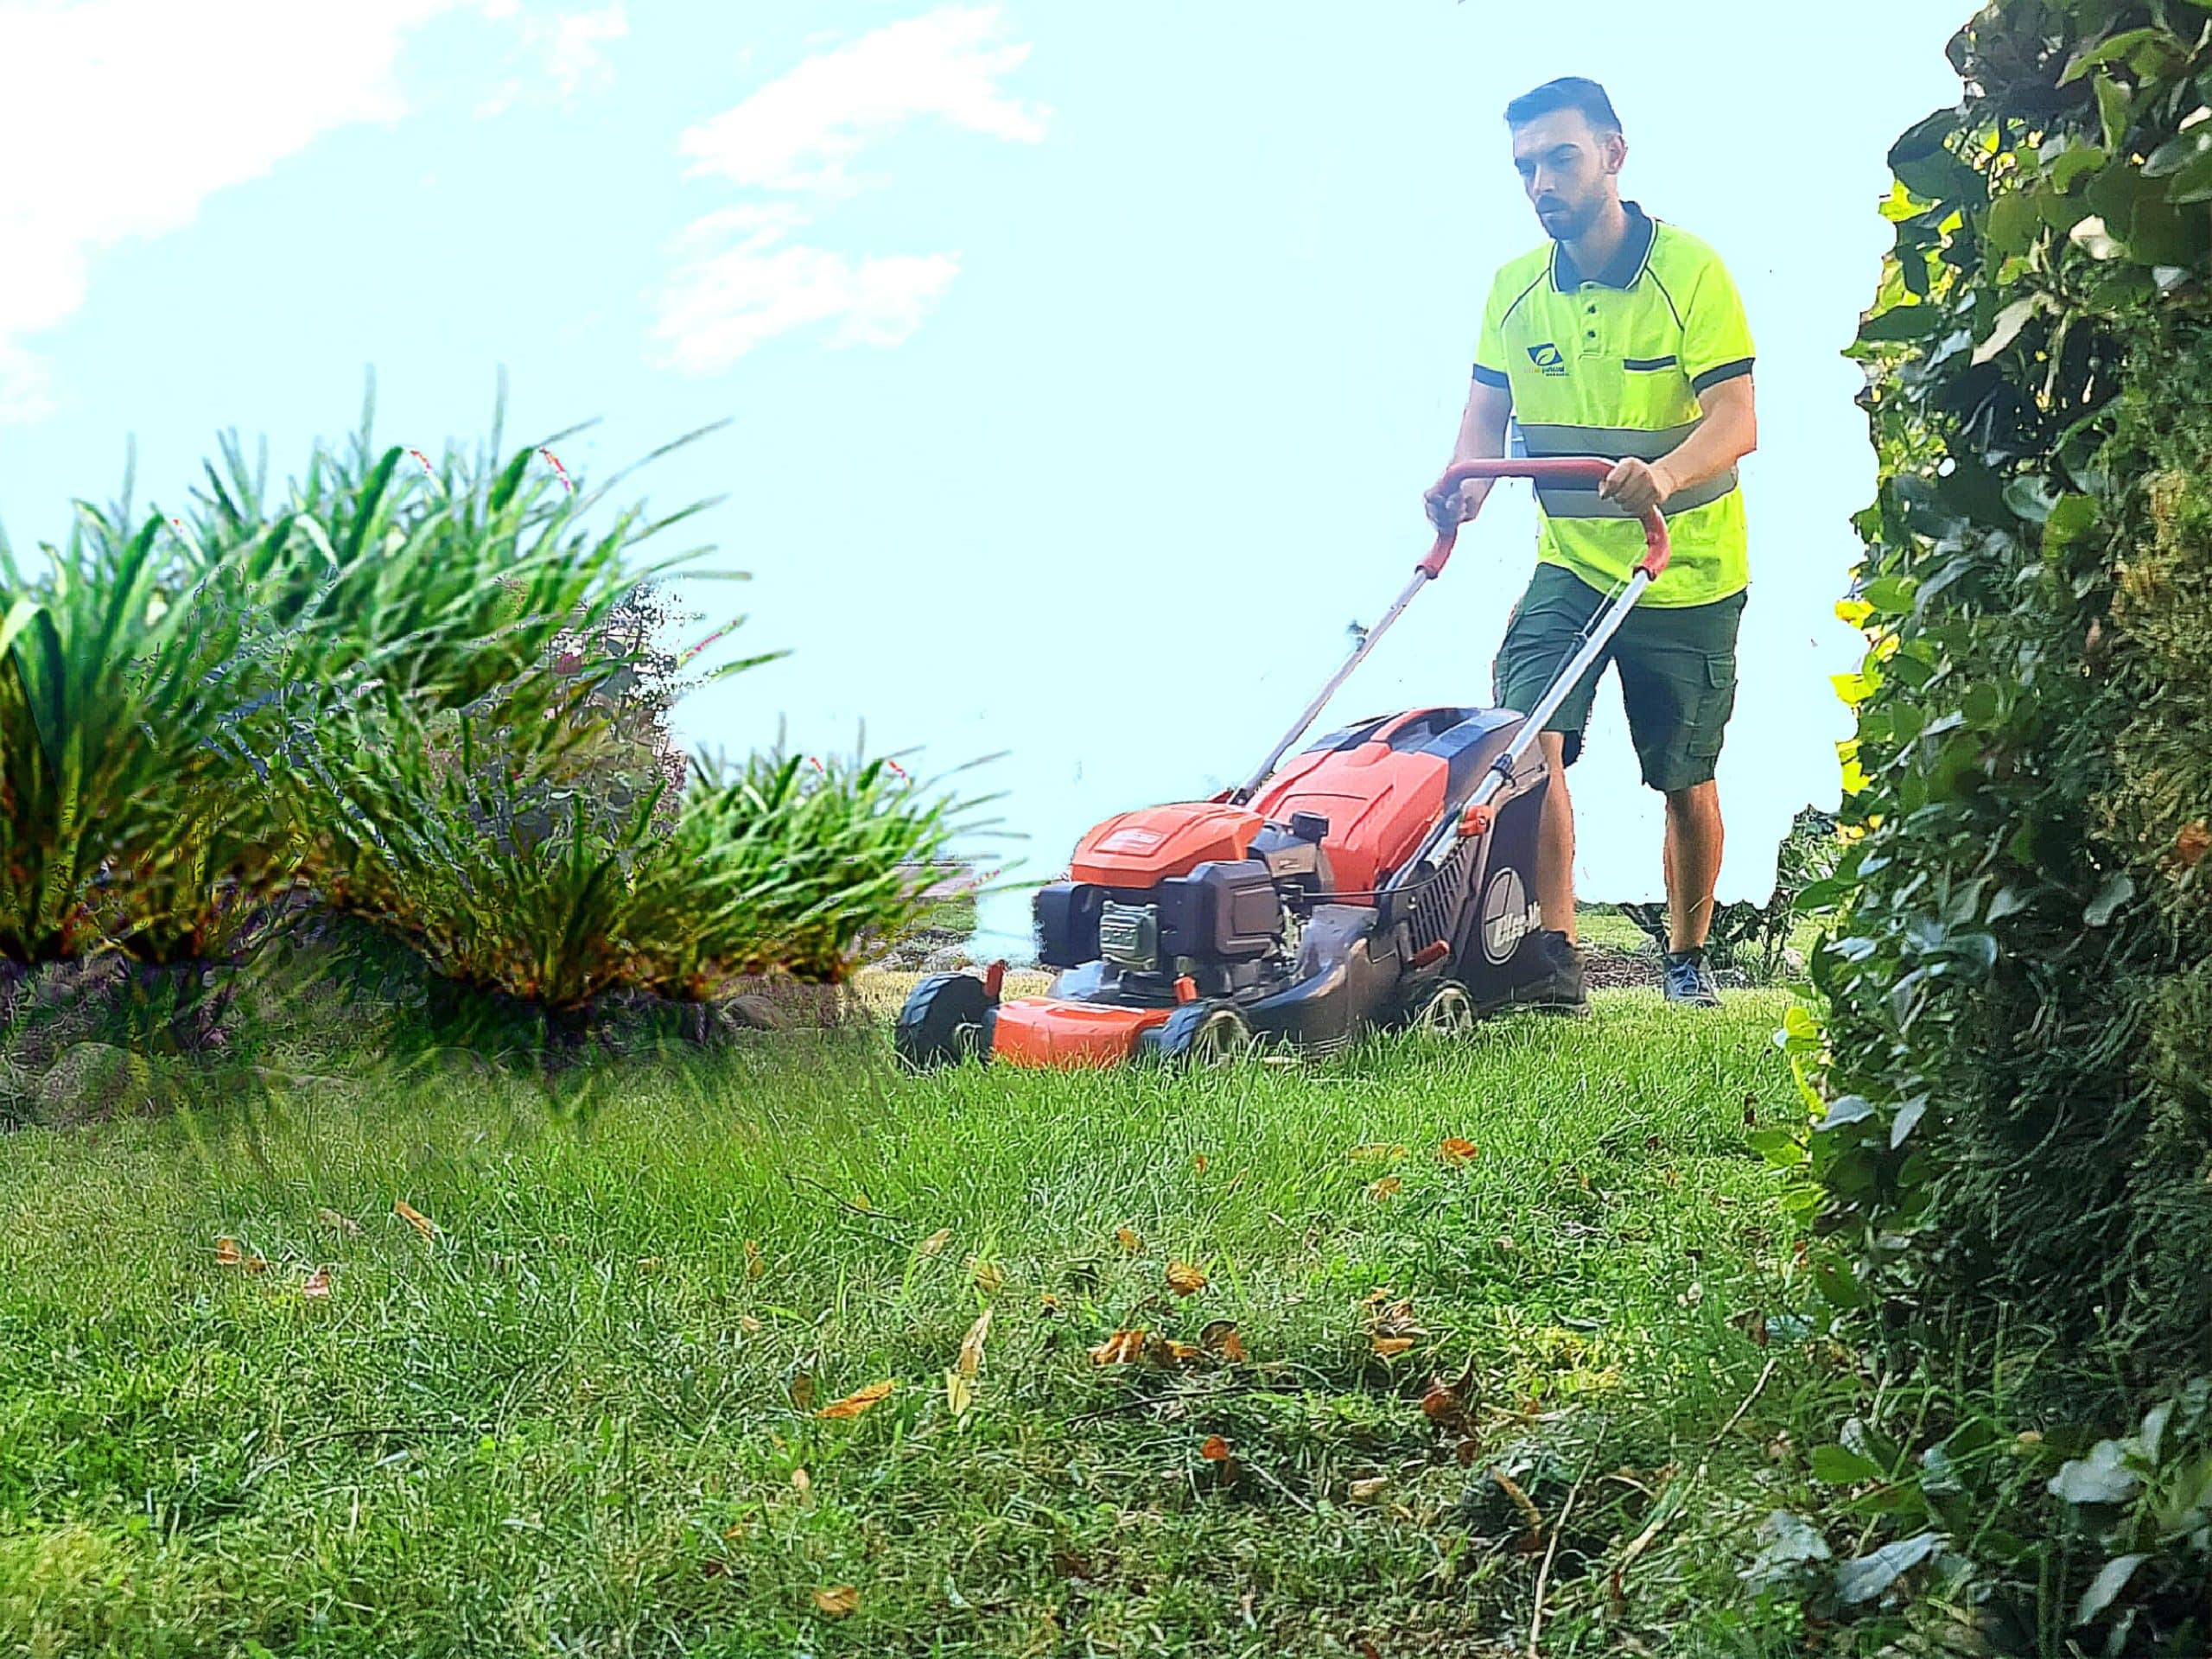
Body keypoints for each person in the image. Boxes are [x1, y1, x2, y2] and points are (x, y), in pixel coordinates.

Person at [1426, 75, 1758, 1013]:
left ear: (1613, 155)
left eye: (1559, 158)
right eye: (1524, 166)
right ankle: (1554, 955)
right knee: (1527, 739)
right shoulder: (1513, 289)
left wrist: (1664, 475)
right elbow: (1483, 414)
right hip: (1571, 565)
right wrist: (1462, 484)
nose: (1540, 182)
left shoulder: (1689, 271)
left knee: (1684, 779)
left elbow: (1736, 420)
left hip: (1686, 571)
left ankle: (1687, 956)